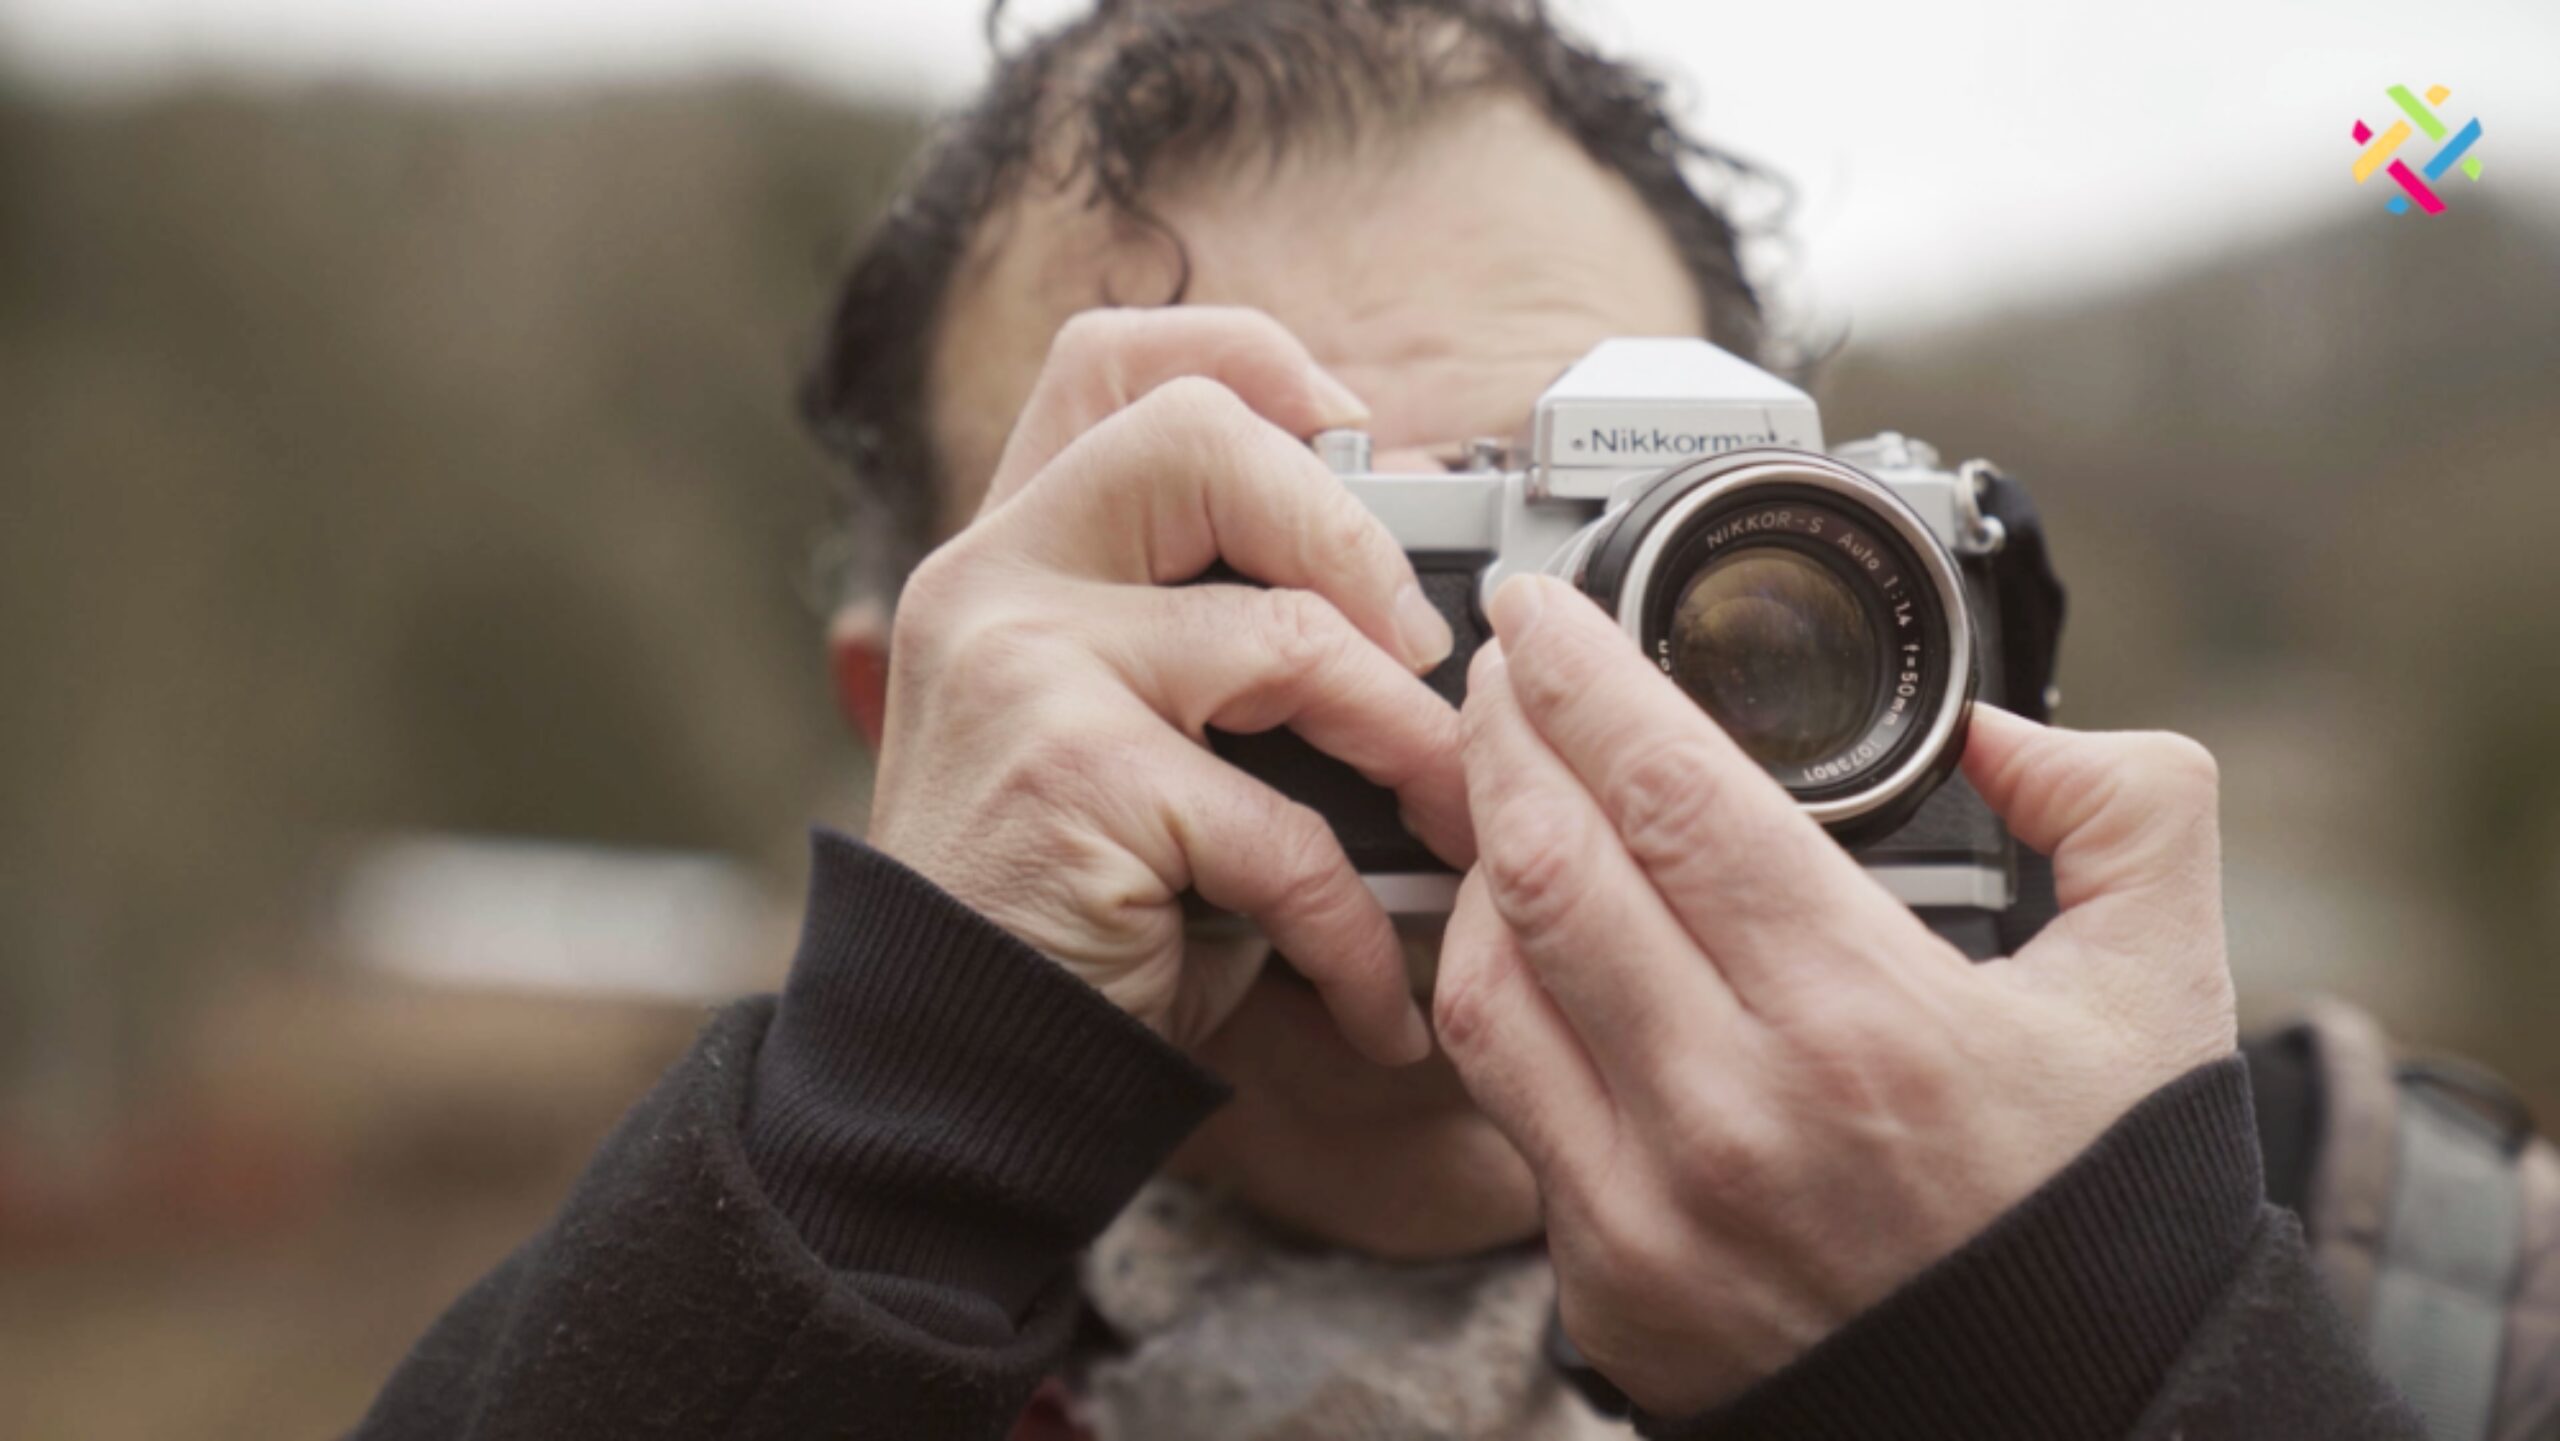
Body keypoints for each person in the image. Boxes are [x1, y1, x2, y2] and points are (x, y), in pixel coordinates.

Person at [351, 3, 2557, 1438]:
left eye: (1623, 563)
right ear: (915, 718)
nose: (1469, 707)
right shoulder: (728, 1293)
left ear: (1853, 575)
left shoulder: (2404, 1278)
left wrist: (2088, 1354)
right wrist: (875, 1157)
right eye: (1236, 566)